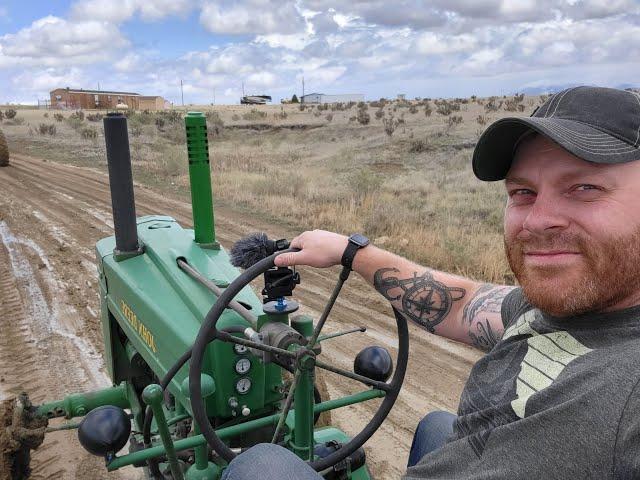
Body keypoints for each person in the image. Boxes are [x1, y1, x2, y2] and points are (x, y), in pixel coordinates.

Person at [222, 86, 640, 479]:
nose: (537, 220)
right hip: (475, 452)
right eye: (523, 192)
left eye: (585, 187)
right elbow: (464, 304)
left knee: (261, 463)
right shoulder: (567, 303)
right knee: (439, 427)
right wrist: (351, 252)